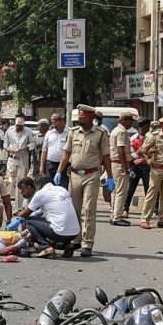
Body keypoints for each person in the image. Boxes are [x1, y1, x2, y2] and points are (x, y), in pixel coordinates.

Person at [54, 104, 113, 258]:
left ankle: (87, 243)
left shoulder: (100, 134)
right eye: (79, 118)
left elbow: (106, 156)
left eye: (83, 118)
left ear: (92, 118)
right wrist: (59, 171)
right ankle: (76, 238)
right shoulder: (74, 133)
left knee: (89, 210)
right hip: (74, 175)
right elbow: (66, 154)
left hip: (91, 175)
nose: (80, 121)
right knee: (74, 210)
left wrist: (110, 176)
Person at [13, 177, 81, 259]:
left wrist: (19, 214)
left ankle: (46, 247)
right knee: (56, 221)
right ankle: (68, 245)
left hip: (59, 233)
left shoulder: (40, 193)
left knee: (28, 222)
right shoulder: (61, 189)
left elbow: (25, 215)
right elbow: (42, 211)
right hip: (75, 233)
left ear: (38, 186)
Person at [139, 116, 163, 230]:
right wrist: (148, 160)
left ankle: (162, 218)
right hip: (157, 169)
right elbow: (143, 150)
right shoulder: (154, 136)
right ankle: (145, 219)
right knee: (152, 194)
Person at [109, 111, 136, 226]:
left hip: (115, 163)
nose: (131, 123)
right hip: (120, 164)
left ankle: (114, 215)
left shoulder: (115, 130)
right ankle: (117, 217)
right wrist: (125, 167)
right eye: (129, 120)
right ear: (123, 120)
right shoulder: (121, 131)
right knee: (121, 191)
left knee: (115, 191)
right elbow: (121, 150)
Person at [123, 119, 152, 219]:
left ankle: (150, 210)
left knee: (148, 188)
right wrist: (137, 158)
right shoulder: (133, 138)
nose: (142, 130)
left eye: (145, 128)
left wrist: (144, 159)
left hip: (147, 166)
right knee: (131, 188)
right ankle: (125, 209)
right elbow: (130, 152)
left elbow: (153, 152)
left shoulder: (151, 138)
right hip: (135, 166)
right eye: (141, 128)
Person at [4, 114, 35, 208]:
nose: (19, 127)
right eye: (17, 125)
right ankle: (9, 200)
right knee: (10, 180)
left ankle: (20, 203)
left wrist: (24, 147)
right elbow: (5, 145)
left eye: (21, 126)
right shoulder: (9, 131)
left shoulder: (28, 131)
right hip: (12, 158)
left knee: (21, 180)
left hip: (23, 159)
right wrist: (11, 150)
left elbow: (32, 143)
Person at [40, 113, 69, 188]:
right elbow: (44, 151)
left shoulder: (69, 133)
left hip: (65, 166)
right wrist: (41, 167)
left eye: (55, 122)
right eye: (52, 122)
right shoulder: (49, 134)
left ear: (62, 121)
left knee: (62, 189)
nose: (53, 125)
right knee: (50, 188)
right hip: (50, 165)